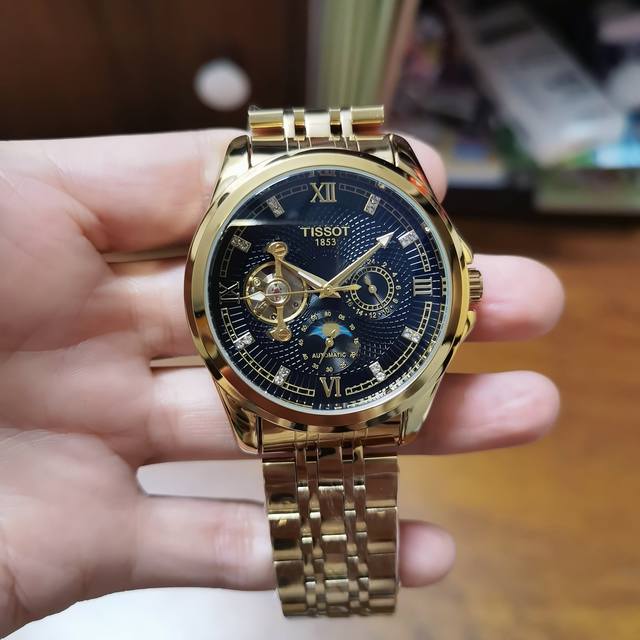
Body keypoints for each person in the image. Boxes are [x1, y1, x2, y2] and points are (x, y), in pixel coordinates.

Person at [0, 130, 563, 635]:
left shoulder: (415, 263)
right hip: (291, 384)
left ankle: (339, 592)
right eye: (320, 291)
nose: (328, 296)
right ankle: (333, 592)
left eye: (336, 290)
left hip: (363, 388)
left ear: (465, 292)